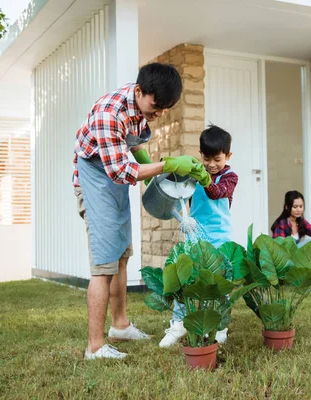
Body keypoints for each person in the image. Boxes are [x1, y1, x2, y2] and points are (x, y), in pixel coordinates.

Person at [73, 63, 211, 360]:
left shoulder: (140, 109)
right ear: (139, 92)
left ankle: (120, 326)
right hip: (96, 181)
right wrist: (168, 164)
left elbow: (134, 148)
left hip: (113, 179)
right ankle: (94, 347)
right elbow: (121, 170)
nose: (158, 113)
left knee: (122, 254)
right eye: (156, 106)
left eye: (164, 109)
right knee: (104, 264)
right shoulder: (109, 114)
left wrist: (160, 180)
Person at [159, 124, 238, 348]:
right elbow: (177, 191)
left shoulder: (230, 177)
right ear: (200, 154)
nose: (211, 165)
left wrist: (202, 175)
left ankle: (220, 326)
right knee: (185, 278)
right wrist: (169, 169)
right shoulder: (195, 174)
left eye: (217, 159)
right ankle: (178, 323)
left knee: (219, 283)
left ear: (228, 156)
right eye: (206, 159)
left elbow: (217, 192)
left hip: (220, 237)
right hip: (194, 236)